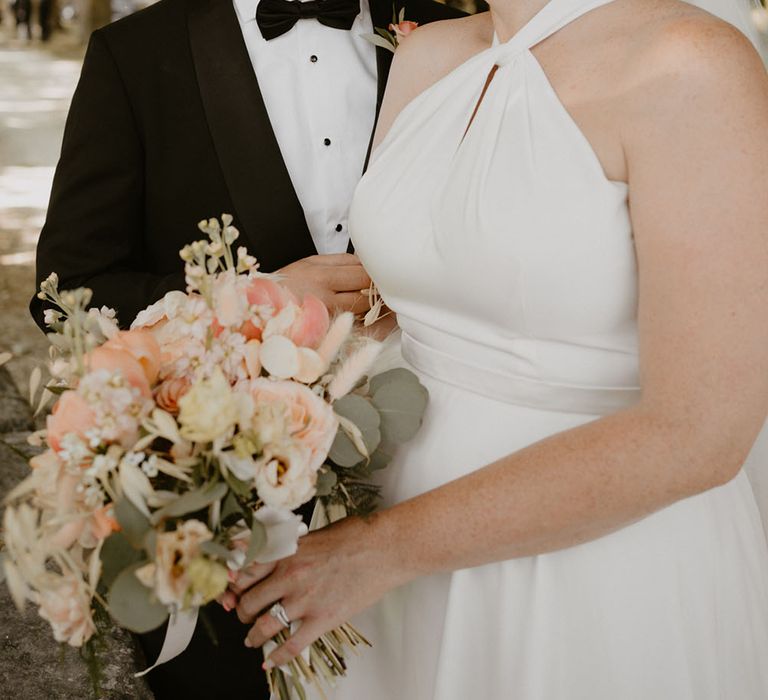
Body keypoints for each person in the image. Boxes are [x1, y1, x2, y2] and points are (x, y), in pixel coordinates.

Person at [227, 0, 768, 697]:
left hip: (585, 572)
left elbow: (702, 432)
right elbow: (416, 295)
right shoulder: (429, 54)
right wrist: (219, 381)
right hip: (370, 547)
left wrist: (382, 551)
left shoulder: (691, 62)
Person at [30, 0, 465, 698]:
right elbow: (67, 294)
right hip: (219, 518)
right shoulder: (137, 55)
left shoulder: (456, 39)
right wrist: (255, 299)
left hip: (441, 484)